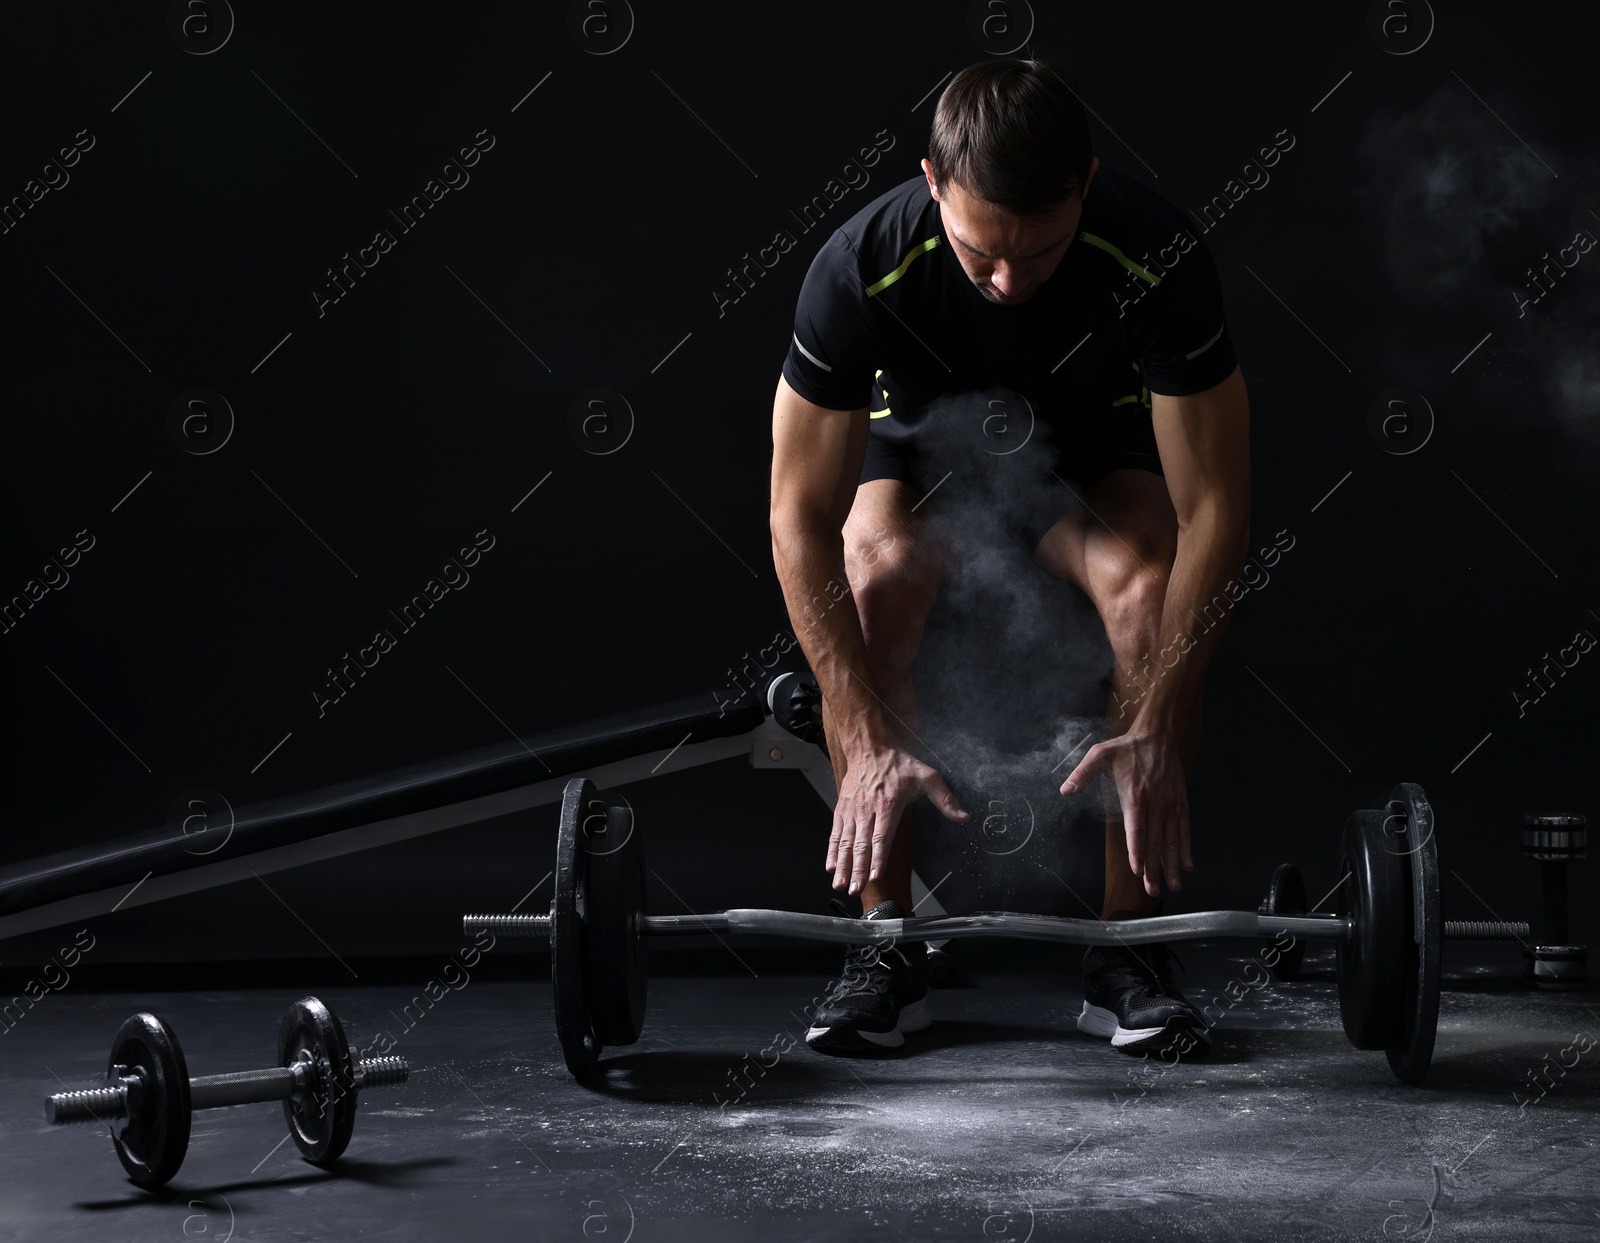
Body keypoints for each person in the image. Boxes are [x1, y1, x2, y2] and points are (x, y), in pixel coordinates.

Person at [768, 59, 1251, 1057]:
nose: (1007, 282)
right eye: (981, 256)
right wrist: (856, 731)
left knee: (1148, 592)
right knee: (875, 585)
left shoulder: (1154, 252)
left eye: (1038, 255)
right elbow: (797, 516)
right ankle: (885, 944)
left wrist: (1159, 722)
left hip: (1087, 460)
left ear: (1084, 180)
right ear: (933, 181)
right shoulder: (861, 263)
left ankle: (1129, 950)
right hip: (926, 464)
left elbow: (1216, 511)